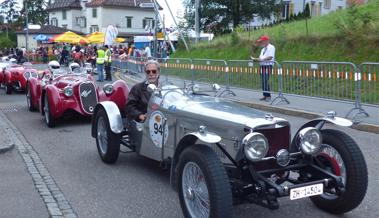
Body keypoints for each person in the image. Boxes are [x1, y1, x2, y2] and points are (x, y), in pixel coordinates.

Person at [251, 35, 275, 101]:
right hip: (263, 66)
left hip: (268, 66)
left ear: (266, 41)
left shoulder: (271, 47)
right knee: (263, 81)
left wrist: (261, 59)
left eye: (262, 41)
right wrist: (255, 59)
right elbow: (260, 58)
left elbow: (270, 57)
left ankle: (268, 96)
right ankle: (265, 95)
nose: (261, 43)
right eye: (261, 41)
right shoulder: (263, 49)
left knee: (265, 80)